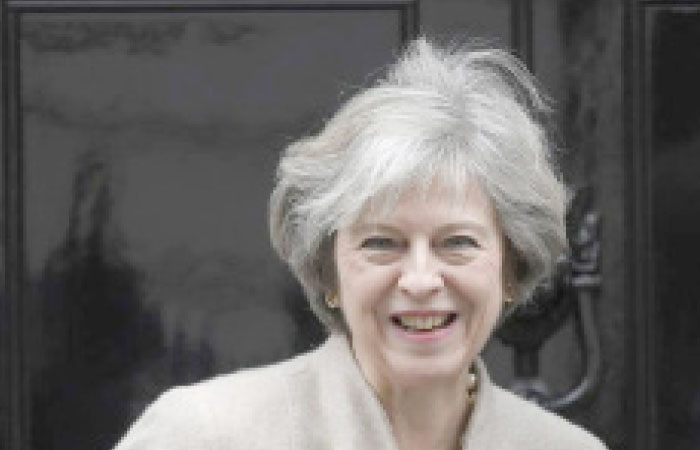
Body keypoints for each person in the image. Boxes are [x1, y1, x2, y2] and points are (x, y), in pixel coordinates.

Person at [113, 37, 608, 450]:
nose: (419, 280)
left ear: (510, 268)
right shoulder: (205, 435)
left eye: (457, 242)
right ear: (329, 272)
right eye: (381, 243)